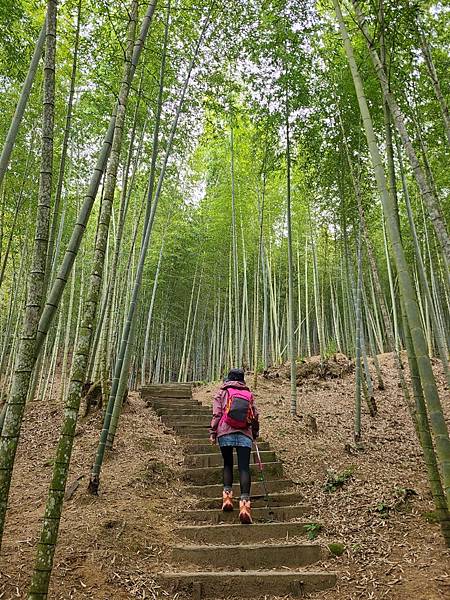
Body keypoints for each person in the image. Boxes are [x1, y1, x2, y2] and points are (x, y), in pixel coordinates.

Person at [209, 368, 259, 524]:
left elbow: (217, 413)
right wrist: (255, 434)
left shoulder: (221, 392)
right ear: (242, 380)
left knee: (228, 464)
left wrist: (213, 432)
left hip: (225, 431)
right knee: (244, 467)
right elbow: (255, 416)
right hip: (245, 433)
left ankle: (227, 498)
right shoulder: (248, 395)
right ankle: (245, 506)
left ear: (228, 379)